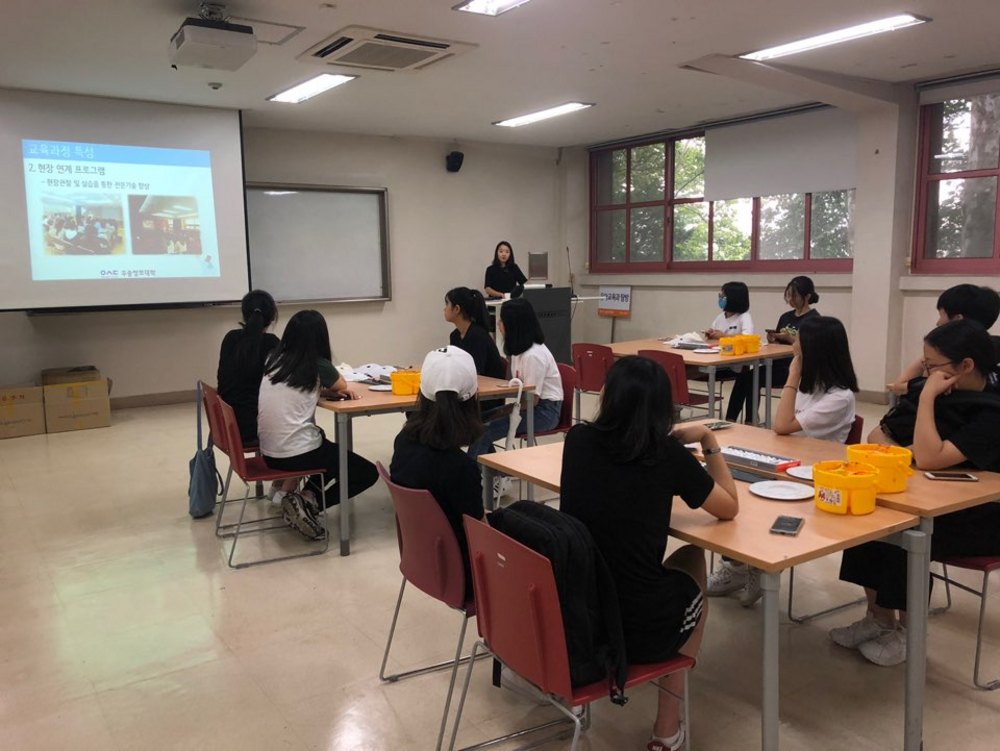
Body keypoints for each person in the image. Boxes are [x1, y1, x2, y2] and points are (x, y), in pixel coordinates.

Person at [560, 356, 739, 751]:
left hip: (583, 611)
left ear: (609, 397)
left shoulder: (578, 440)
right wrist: (709, 440)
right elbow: (729, 506)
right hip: (636, 624)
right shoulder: (666, 455)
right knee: (693, 557)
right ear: (663, 409)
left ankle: (666, 725)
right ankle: (666, 728)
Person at [832, 319, 1000, 667]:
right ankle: (878, 618)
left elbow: (929, 457)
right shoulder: (937, 391)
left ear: (965, 366)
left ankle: (910, 635)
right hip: (928, 495)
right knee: (866, 516)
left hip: (982, 515)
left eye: (933, 366)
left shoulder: (990, 409)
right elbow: (878, 435)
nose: (926, 373)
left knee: (907, 530)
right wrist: (908, 454)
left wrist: (925, 401)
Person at [708, 316, 858, 606]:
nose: (794, 345)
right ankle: (739, 565)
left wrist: (792, 374)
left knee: (750, 503)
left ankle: (755, 567)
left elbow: (781, 425)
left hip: (813, 477)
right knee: (731, 484)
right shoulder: (811, 386)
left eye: (799, 342)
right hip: (790, 464)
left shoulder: (840, 397)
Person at [257, 310, 378, 540]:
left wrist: (318, 391)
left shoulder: (274, 358)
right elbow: (341, 384)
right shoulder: (317, 364)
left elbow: (295, 388)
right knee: (366, 472)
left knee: (328, 449)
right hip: (297, 453)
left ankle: (301, 496)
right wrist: (332, 390)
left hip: (270, 452)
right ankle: (308, 503)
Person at [390, 346, 485, 593]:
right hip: (463, 576)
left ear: (422, 393)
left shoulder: (403, 442)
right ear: (474, 397)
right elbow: (481, 536)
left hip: (419, 560)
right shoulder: (461, 469)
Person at [466, 297, 563, 460]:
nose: (498, 324)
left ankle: (470, 477)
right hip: (528, 406)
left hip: (544, 412)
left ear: (513, 325)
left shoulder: (534, 355)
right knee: (477, 422)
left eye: (502, 320)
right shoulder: (519, 350)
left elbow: (532, 400)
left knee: (484, 430)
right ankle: (489, 470)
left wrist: (505, 410)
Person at [726, 277, 818, 422]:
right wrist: (773, 339)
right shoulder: (786, 316)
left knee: (751, 378)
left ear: (807, 296)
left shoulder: (813, 319)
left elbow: (810, 347)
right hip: (776, 364)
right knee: (744, 377)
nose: (790, 299)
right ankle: (730, 418)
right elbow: (778, 342)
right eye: (788, 295)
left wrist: (790, 339)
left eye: (794, 296)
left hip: (795, 368)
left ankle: (750, 420)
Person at [887, 284, 1000, 395]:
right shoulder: (992, 347)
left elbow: (898, 387)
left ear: (958, 320)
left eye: (941, 315)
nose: (938, 323)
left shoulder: (945, 354)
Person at [217, 289, 280, 442]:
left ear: (245, 315)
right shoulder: (271, 343)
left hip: (228, 425)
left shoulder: (230, 339)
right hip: (254, 428)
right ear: (271, 318)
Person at [445, 286, 506, 414]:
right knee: (416, 412)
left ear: (457, 309)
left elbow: (476, 373)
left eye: (447, 304)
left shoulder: (478, 336)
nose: (444, 309)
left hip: (484, 397)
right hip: (466, 392)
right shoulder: (455, 336)